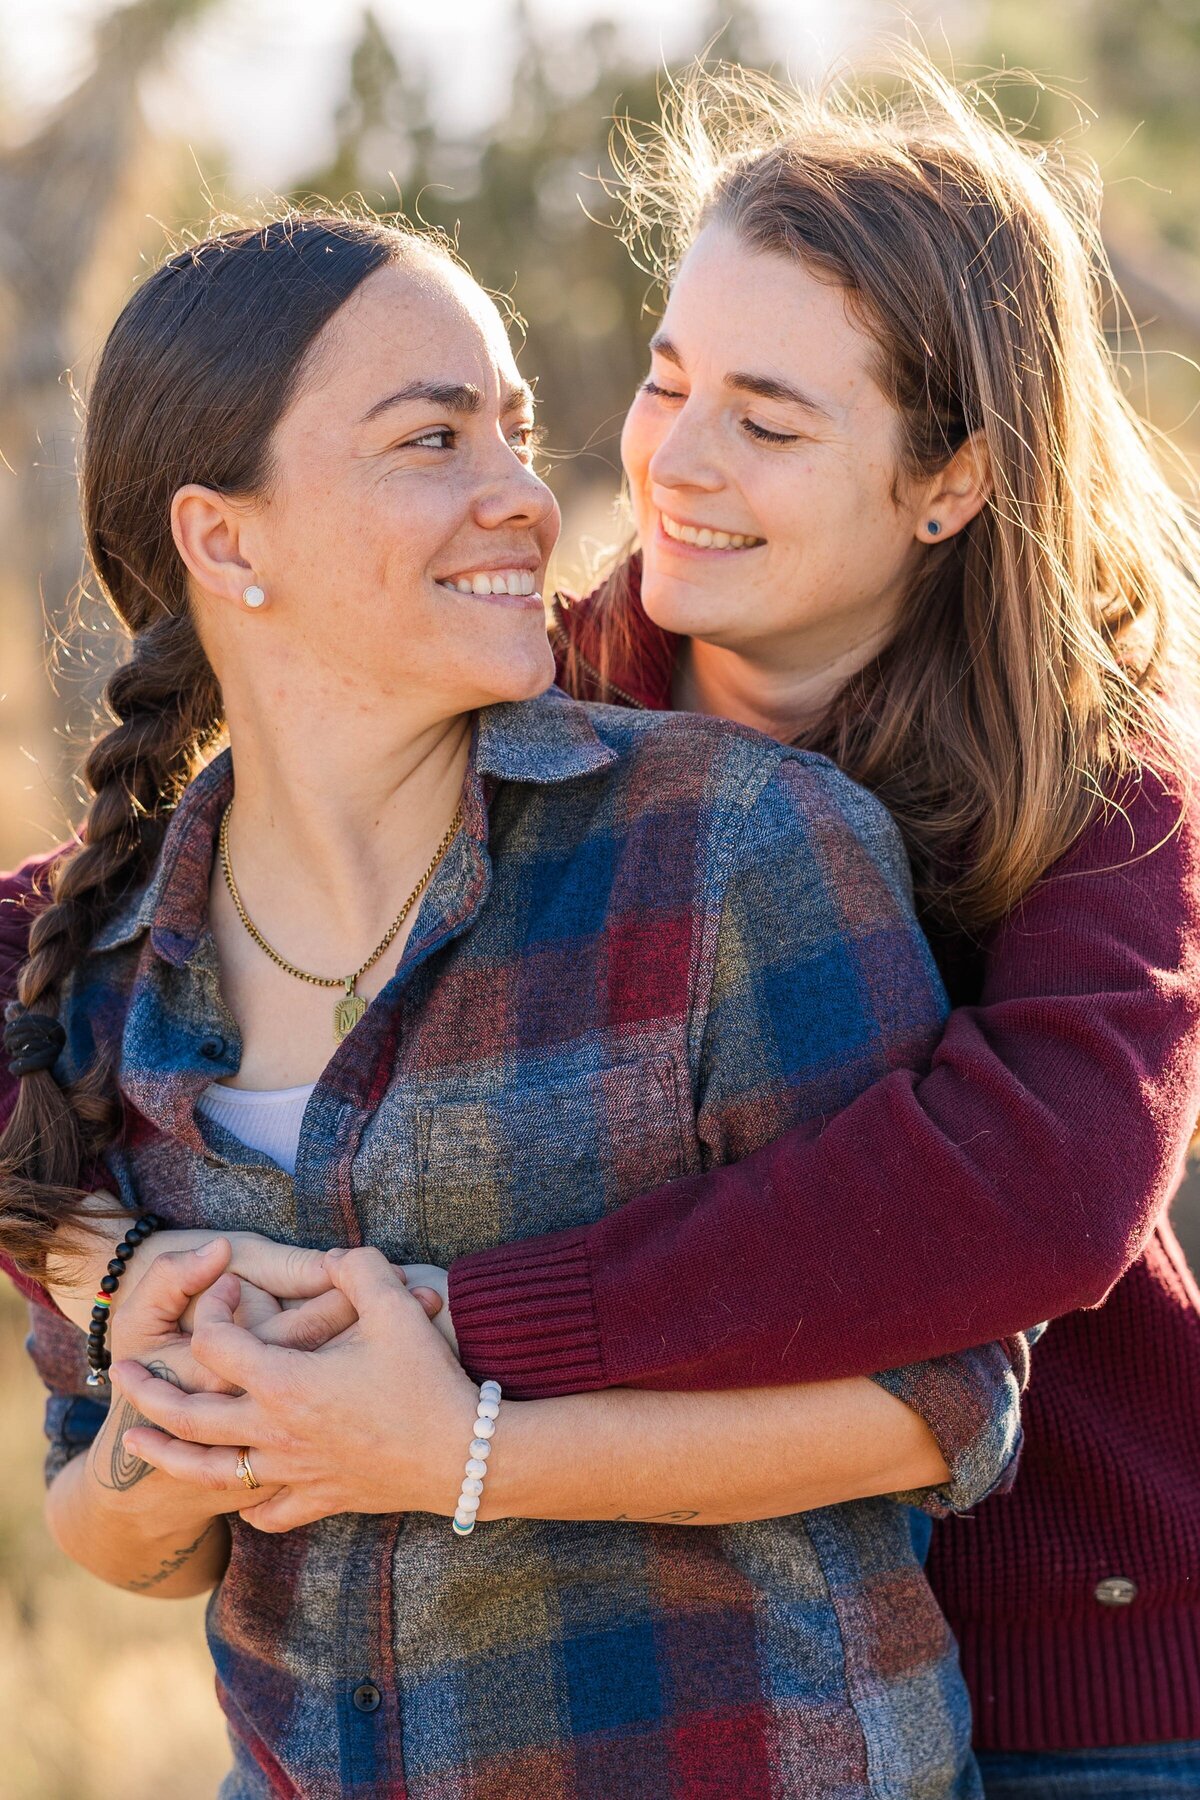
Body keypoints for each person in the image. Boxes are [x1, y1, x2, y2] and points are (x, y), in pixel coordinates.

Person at [0, 211, 1025, 1800]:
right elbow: (109, 1523)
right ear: (225, 540)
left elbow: (947, 1398)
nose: (528, 499)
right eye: (432, 438)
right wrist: (179, 1432)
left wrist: (456, 1445)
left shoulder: (735, 846)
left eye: (517, 429)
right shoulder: (104, 975)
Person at [423, 58, 1200, 1798]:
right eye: (665, 379)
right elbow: (121, 916)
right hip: (703, 1667)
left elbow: (1041, 1184)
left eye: (768, 422)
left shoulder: (1092, 780)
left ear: (953, 481)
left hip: (1082, 1671)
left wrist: (475, 1323)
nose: (674, 463)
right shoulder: (534, 694)